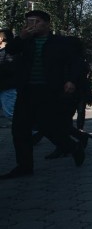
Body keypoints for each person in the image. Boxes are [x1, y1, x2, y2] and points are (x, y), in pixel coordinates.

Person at [0, 10, 85, 179]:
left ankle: (73, 147)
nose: (32, 25)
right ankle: (24, 166)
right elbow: (10, 50)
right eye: (29, 22)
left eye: (36, 21)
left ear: (47, 24)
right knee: (19, 129)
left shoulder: (60, 42)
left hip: (49, 91)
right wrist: (21, 37)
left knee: (49, 127)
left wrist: (71, 81)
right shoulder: (25, 41)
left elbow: (76, 63)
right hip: (26, 90)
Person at [0, 29, 18, 120]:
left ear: (1, 38)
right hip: (5, 87)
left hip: (7, 87)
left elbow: (10, 69)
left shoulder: (9, 53)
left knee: (11, 114)